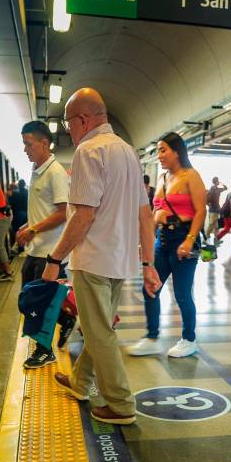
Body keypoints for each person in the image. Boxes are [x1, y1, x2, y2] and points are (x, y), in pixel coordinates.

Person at [42, 88, 160, 426]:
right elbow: (144, 214)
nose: (69, 131)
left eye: (68, 123)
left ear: (82, 119)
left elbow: (83, 216)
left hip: (93, 259)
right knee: (99, 327)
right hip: (120, 260)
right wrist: (147, 263)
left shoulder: (87, 151)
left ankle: (121, 405)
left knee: (99, 333)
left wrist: (54, 258)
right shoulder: (127, 151)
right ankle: (81, 383)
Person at [127, 132, 207, 359]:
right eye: (158, 150)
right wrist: (146, 244)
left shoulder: (190, 176)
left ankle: (189, 339)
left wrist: (190, 240)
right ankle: (152, 337)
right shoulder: (162, 179)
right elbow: (154, 214)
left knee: (182, 293)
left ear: (177, 151)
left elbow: (201, 211)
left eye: (163, 150)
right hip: (162, 240)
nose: (159, 155)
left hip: (184, 238)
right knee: (150, 288)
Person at [15, 120, 70, 368]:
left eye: (28, 144)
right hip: (35, 248)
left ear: (44, 143)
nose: (25, 149)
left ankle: (44, 350)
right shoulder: (37, 170)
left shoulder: (55, 172)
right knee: (30, 301)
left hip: (50, 251)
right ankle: (66, 320)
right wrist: (28, 226)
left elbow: (63, 212)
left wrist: (34, 229)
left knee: (41, 304)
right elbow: (43, 210)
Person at [215, 182, 231, 247]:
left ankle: (218, 237)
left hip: (227, 214)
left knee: (227, 228)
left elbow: (226, 203)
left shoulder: (229, 194)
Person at [8, 178, 28, 247]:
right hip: (27, 215)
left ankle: (18, 247)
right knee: (25, 231)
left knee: (17, 231)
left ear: (19, 185)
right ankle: (23, 247)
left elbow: (10, 204)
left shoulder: (15, 194)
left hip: (17, 215)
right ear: (25, 185)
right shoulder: (28, 192)